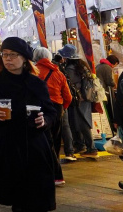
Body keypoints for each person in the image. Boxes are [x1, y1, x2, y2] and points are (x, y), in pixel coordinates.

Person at [0, 37, 57, 212]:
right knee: (15, 194)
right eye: (5, 55)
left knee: (36, 195)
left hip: (33, 145)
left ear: (24, 59)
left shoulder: (36, 84)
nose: (8, 59)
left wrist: (45, 120)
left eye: (13, 55)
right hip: (7, 145)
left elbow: (51, 111)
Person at [34, 46, 72, 187]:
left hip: (39, 108)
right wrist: (62, 109)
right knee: (55, 142)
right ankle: (54, 174)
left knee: (42, 142)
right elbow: (68, 96)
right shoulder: (59, 73)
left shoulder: (34, 72)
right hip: (57, 108)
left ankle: (54, 174)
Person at [59, 44, 98, 158]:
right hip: (85, 98)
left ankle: (91, 148)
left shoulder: (70, 69)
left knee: (82, 123)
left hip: (78, 99)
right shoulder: (82, 65)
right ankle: (82, 146)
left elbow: (68, 84)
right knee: (81, 121)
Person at [54, 52, 77, 161]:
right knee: (65, 127)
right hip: (60, 104)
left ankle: (53, 155)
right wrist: (64, 106)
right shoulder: (59, 72)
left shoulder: (36, 71)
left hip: (43, 107)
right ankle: (70, 152)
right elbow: (68, 95)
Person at [96, 54, 119, 125]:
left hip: (97, 90)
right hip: (103, 91)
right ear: (113, 62)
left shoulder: (98, 65)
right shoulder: (107, 67)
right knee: (106, 109)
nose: (115, 66)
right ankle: (108, 125)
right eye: (116, 64)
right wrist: (115, 84)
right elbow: (109, 81)